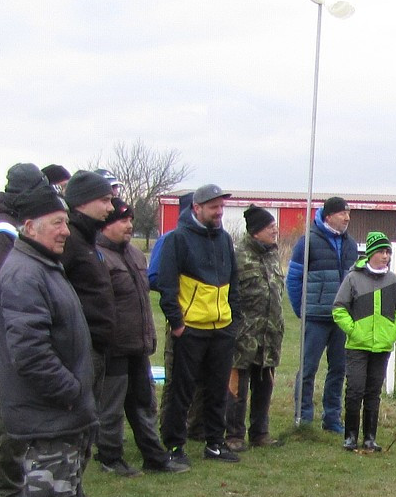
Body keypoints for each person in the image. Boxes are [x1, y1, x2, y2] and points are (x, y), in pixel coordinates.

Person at [0, 187, 99, 497]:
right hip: (48, 409)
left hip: (65, 409)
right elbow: (30, 352)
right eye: (57, 223)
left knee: (66, 495)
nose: (65, 231)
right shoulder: (24, 274)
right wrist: (70, 391)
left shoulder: (45, 265)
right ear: (30, 226)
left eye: (66, 222)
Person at [56, 170, 123, 497]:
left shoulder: (87, 240)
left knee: (86, 432)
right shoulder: (69, 242)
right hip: (79, 352)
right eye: (105, 200)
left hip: (97, 349)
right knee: (74, 432)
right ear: (83, 202)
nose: (111, 207)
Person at [96, 197, 184, 475]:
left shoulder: (135, 255)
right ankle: (110, 458)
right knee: (111, 407)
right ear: (106, 225)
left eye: (131, 220)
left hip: (138, 345)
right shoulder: (97, 256)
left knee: (144, 402)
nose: (129, 225)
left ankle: (154, 456)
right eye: (123, 220)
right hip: (113, 347)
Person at [154, 184, 240, 463]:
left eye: (221, 206)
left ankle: (215, 443)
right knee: (182, 390)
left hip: (221, 328)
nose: (219, 212)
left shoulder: (225, 239)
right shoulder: (177, 239)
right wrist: (177, 324)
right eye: (214, 207)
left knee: (218, 390)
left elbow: (234, 282)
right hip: (190, 328)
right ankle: (174, 446)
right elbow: (166, 285)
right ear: (197, 208)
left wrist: (233, 320)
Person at [0, 163, 53, 497]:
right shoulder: (1, 228)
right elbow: (6, 283)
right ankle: (6, 483)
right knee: (10, 409)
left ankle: (19, 475)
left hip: (11, 328)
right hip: (3, 332)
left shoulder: (9, 222)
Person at [286, 196, 359, 433]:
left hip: (341, 318)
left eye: (348, 213)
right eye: (342, 213)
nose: (347, 218)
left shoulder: (350, 245)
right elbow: (294, 279)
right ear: (328, 216)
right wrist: (302, 310)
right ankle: (303, 417)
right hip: (315, 318)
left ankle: (332, 418)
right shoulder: (307, 242)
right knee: (308, 369)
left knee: (338, 369)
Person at [331, 231, 396, 451]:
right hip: (357, 346)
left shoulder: (392, 281)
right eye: (381, 252)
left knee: (373, 392)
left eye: (388, 252)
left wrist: (394, 331)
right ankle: (350, 436)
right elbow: (339, 308)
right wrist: (353, 330)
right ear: (371, 253)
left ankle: (370, 438)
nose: (386, 256)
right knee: (355, 389)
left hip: (382, 346)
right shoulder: (353, 278)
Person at [228, 206, 286, 451]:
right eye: (270, 227)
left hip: (269, 335)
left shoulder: (273, 255)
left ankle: (260, 433)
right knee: (237, 388)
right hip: (243, 335)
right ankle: (234, 435)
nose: (275, 230)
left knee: (264, 386)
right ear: (255, 231)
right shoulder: (237, 256)